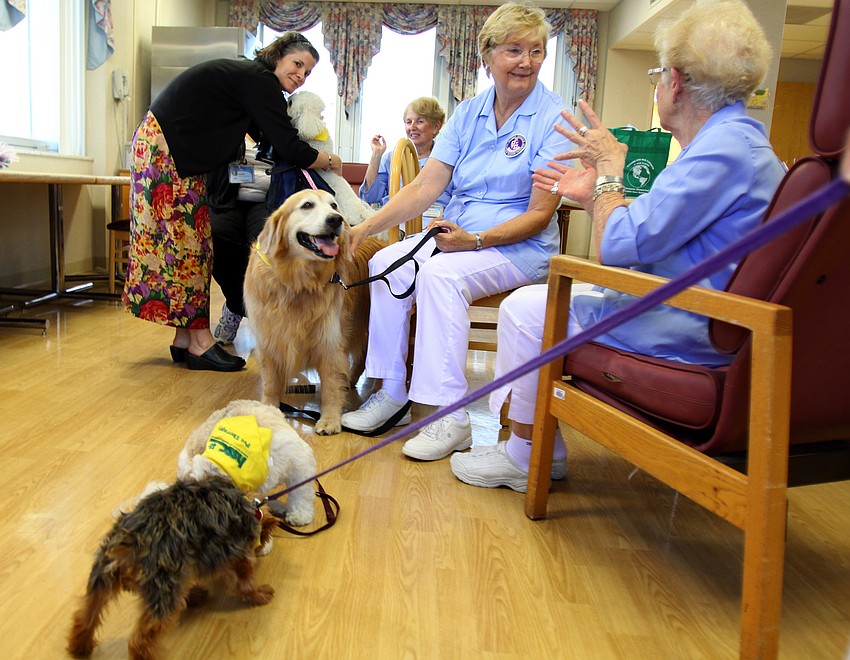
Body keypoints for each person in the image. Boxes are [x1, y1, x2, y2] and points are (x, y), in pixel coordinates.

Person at [449, 0, 787, 492]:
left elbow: (618, 249)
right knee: (548, 297)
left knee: (525, 308)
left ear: (676, 82)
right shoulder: (739, 142)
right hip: (710, 316)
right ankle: (527, 445)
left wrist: (609, 172)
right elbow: (649, 230)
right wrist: (594, 195)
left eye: (657, 73)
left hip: (691, 329)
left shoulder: (721, 151)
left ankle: (525, 456)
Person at [341, 3, 569, 461]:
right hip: (457, 236)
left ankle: (451, 417)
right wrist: (364, 226)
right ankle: (392, 389)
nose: (526, 61)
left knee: (439, 278)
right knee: (386, 262)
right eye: (513, 50)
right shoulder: (468, 114)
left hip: (515, 247)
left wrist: (475, 241)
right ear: (486, 55)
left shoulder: (555, 118)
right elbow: (427, 186)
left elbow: (542, 214)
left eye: (536, 51)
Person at [123, 32, 343, 371]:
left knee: (189, 244)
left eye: (307, 72)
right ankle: (199, 342)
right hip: (167, 151)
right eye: (297, 64)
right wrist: (329, 160)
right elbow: (288, 146)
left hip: (160, 147)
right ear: (277, 57)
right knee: (188, 247)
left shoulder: (249, 80)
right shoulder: (260, 82)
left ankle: (184, 338)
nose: (300, 75)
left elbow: (268, 133)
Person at [206, 137, 270, 345]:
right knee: (215, 235)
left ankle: (262, 319)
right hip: (227, 196)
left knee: (264, 244)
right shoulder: (230, 118)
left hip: (267, 198)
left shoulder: (275, 120)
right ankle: (237, 304)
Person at [360, 97, 452, 214]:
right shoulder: (391, 159)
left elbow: (457, 199)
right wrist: (376, 155)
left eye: (420, 121)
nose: (412, 128)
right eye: (408, 122)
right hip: (395, 221)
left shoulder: (447, 159)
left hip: (432, 223)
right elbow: (370, 198)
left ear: (436, 127)